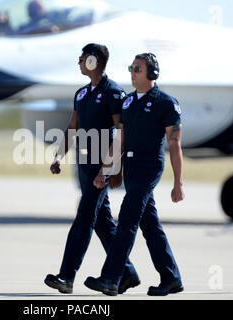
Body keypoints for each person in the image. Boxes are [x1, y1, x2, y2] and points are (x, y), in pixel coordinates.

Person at [84, 53, 185, 296]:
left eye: (138, 68)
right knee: (150, 225)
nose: (132, 72)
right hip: (130, 168)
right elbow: (119, 141)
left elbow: (175, 144)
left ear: (152, 74)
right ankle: (171, 277)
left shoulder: (166, 103)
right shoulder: (127, 103)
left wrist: (178, 182)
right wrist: (104, 171)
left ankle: (111, 278)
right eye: (131, 68)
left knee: (127, 220)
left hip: (149, 167)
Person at [44, 43, 140, 294]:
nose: (79, 61)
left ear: (93, 61)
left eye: (82, 57)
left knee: (84, 216)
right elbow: (73, 126)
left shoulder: (114, 93)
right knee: (102, 222)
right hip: (86, 163)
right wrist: (59, 155)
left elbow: (122, 133)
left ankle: (66, 277)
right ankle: (127, 272)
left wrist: (107, 169)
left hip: (102, 164)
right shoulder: (81, 93)